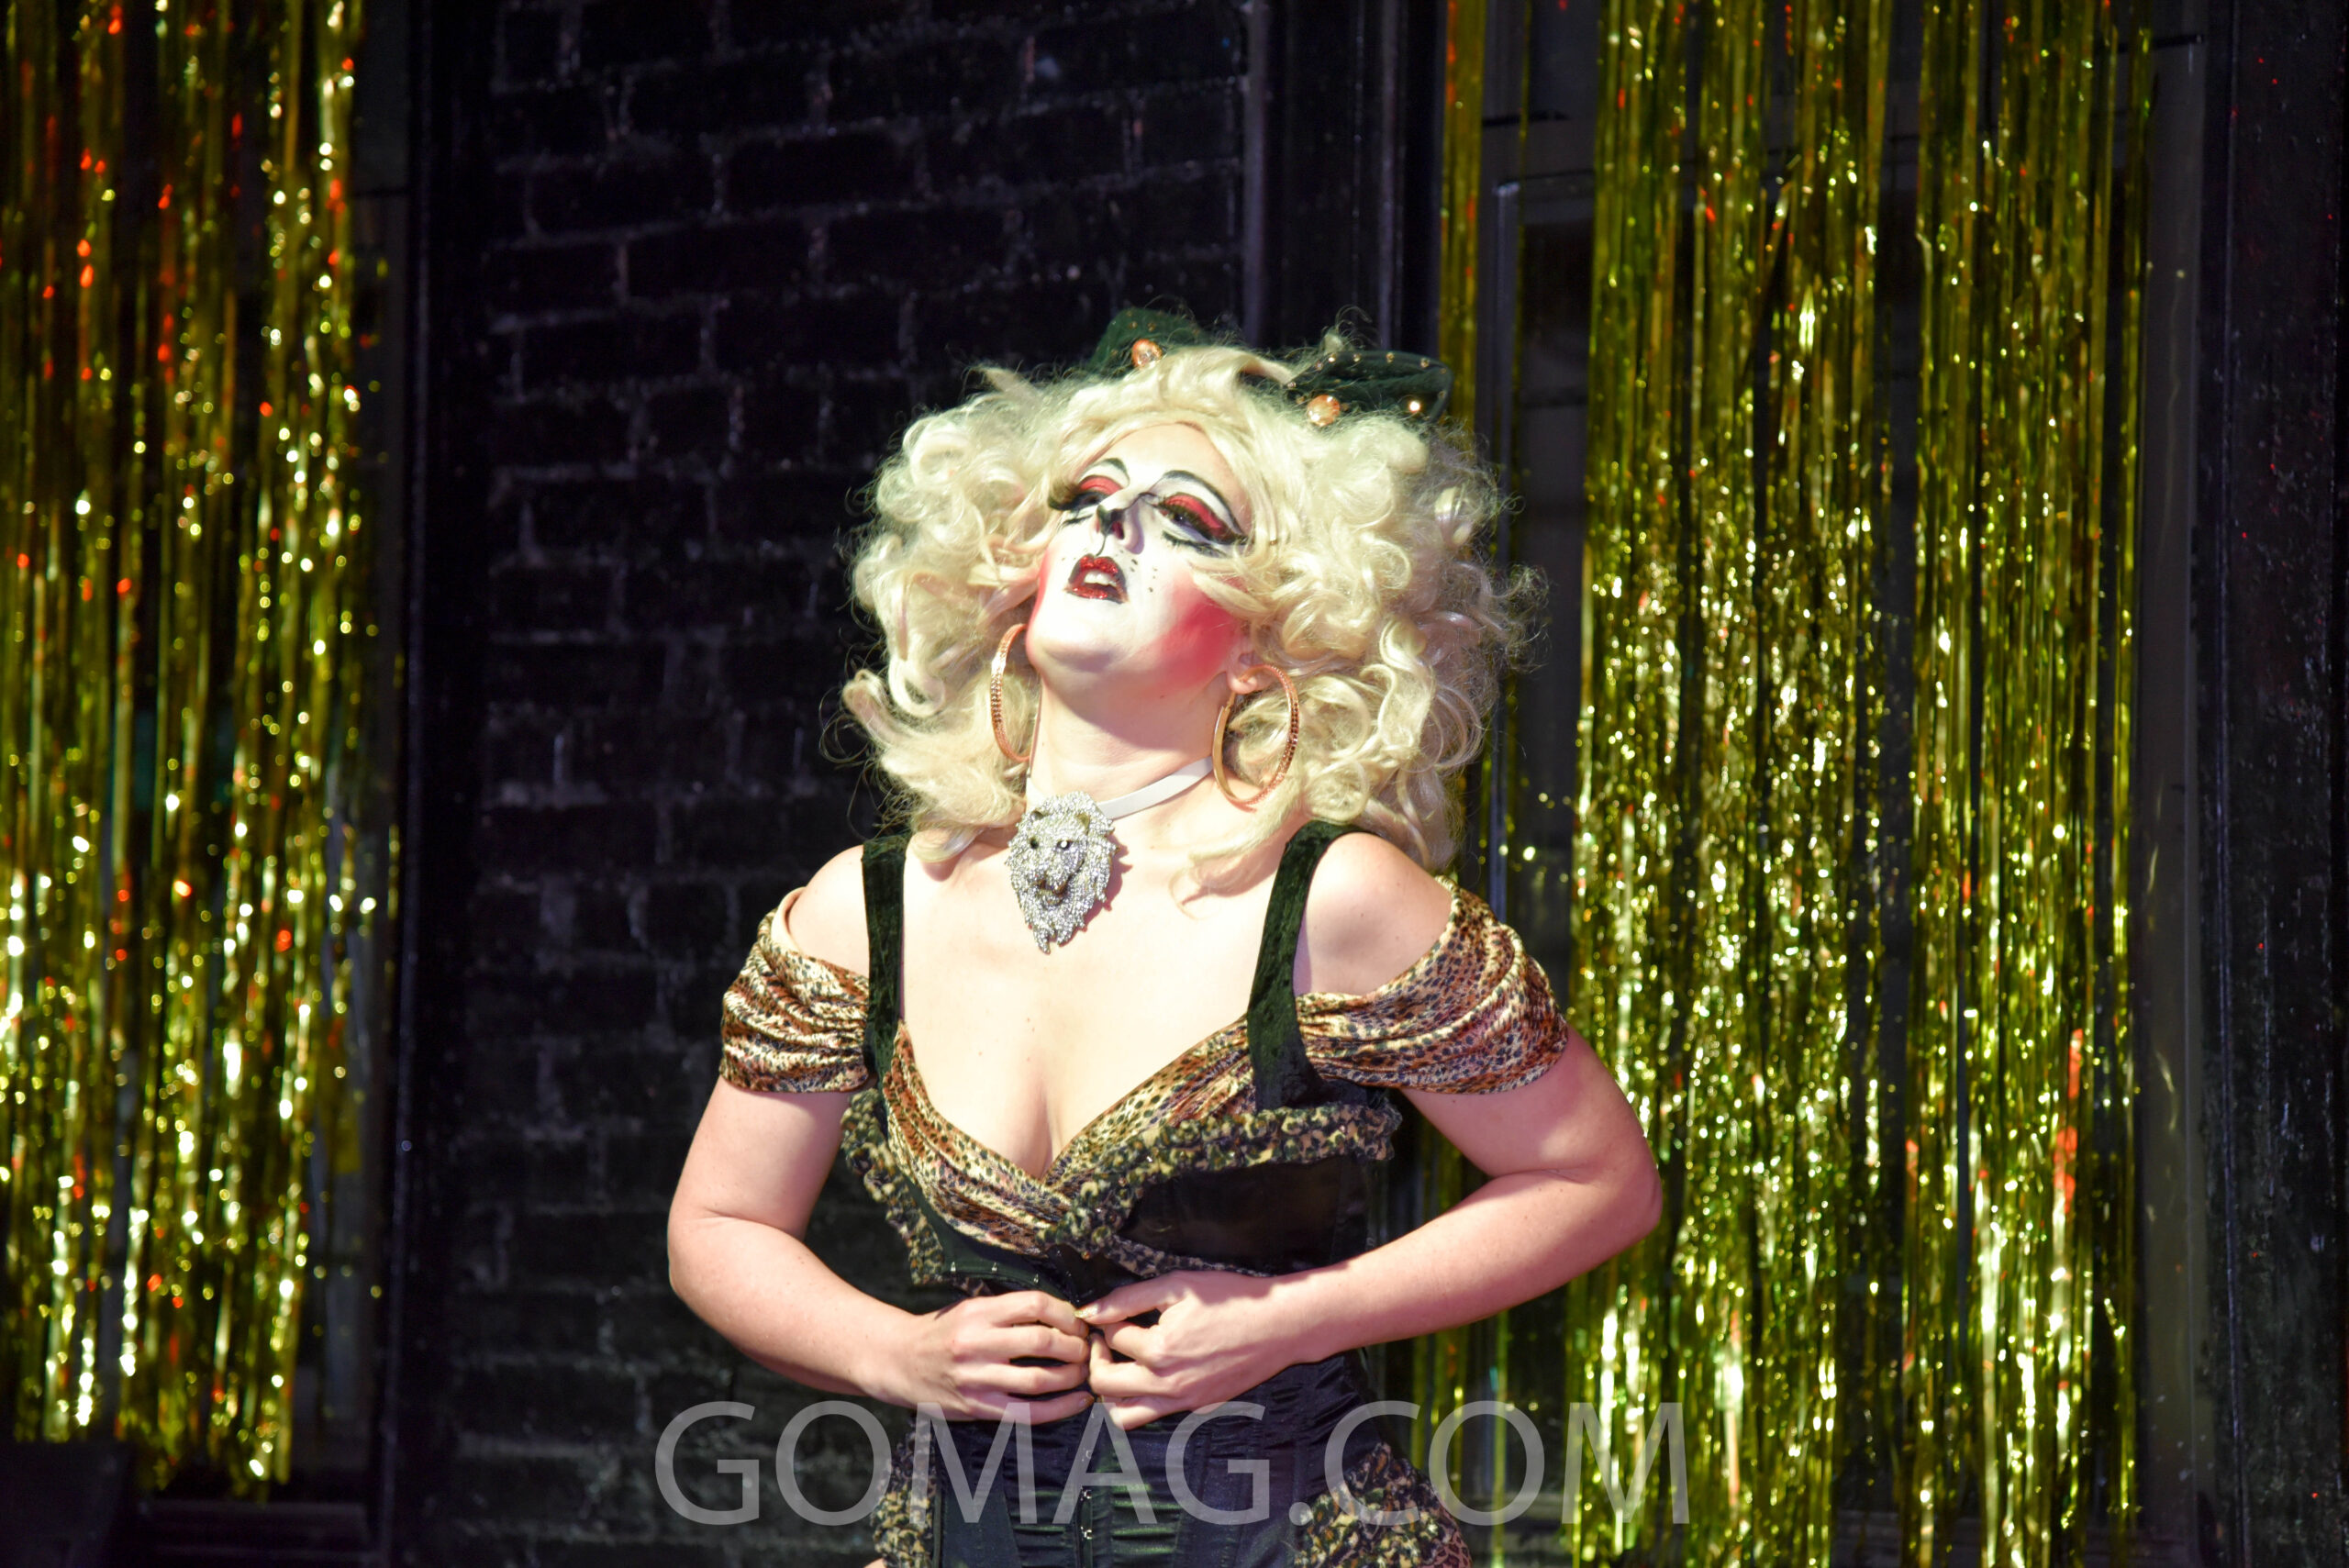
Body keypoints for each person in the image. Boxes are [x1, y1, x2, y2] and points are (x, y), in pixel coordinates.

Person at [665, 308, 1662, 1568]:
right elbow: (717, 1225)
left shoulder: (1333, 899)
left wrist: (1293, 1319)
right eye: (1086, 499)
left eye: (1189, 519)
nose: (1115, 527)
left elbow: (1599, 1181)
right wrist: (896, 1352)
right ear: (1013, 576)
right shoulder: (863, 911)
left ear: (1265, 643)